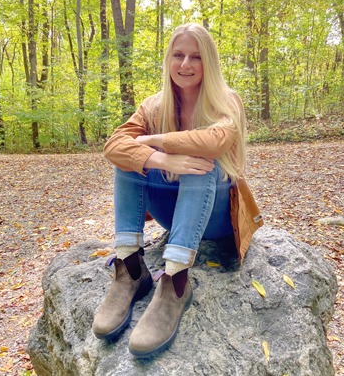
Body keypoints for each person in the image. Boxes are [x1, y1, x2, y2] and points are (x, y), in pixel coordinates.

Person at [92, 23, 263, 358]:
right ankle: (130, 268)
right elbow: (114, 145)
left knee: (200, 159)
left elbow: (215, 142)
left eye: (196, 57)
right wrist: (156, 159)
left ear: (208, 63)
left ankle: (175, 281)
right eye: (179, 55)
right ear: (169, 60)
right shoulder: (154, 106)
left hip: (215, 218)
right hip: (174, 211)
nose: (186, 64)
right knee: (128, 159)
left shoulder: (227, 101)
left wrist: (156, 142)